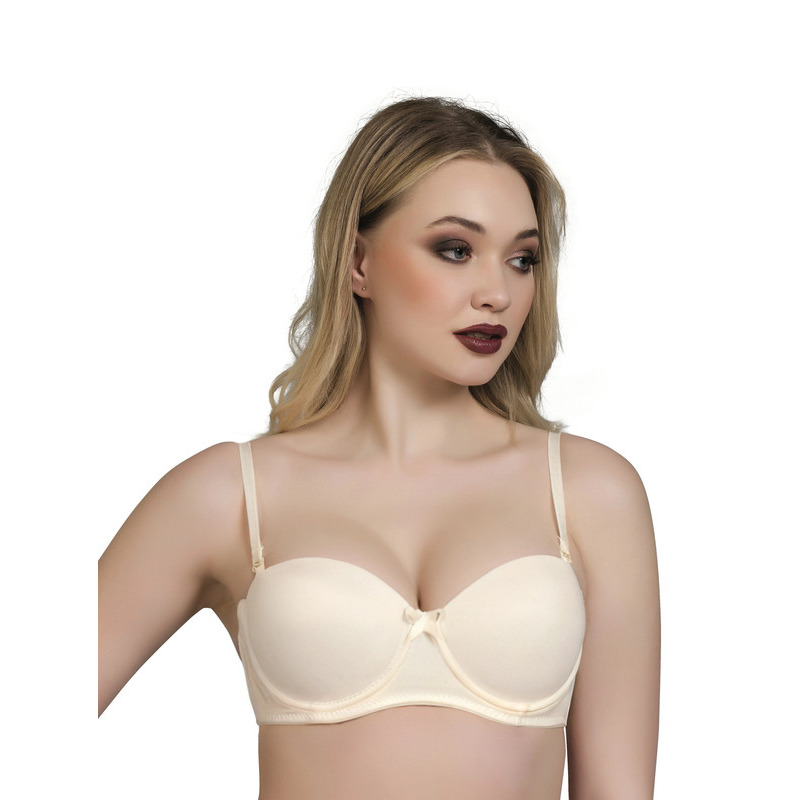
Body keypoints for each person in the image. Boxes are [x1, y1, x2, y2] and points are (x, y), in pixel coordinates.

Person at [98, 97, 660, 799]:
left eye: (522, 259)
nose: (498, 293)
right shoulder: (229, 495)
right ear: (358, 262)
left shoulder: (590, 493)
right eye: (455, 250)